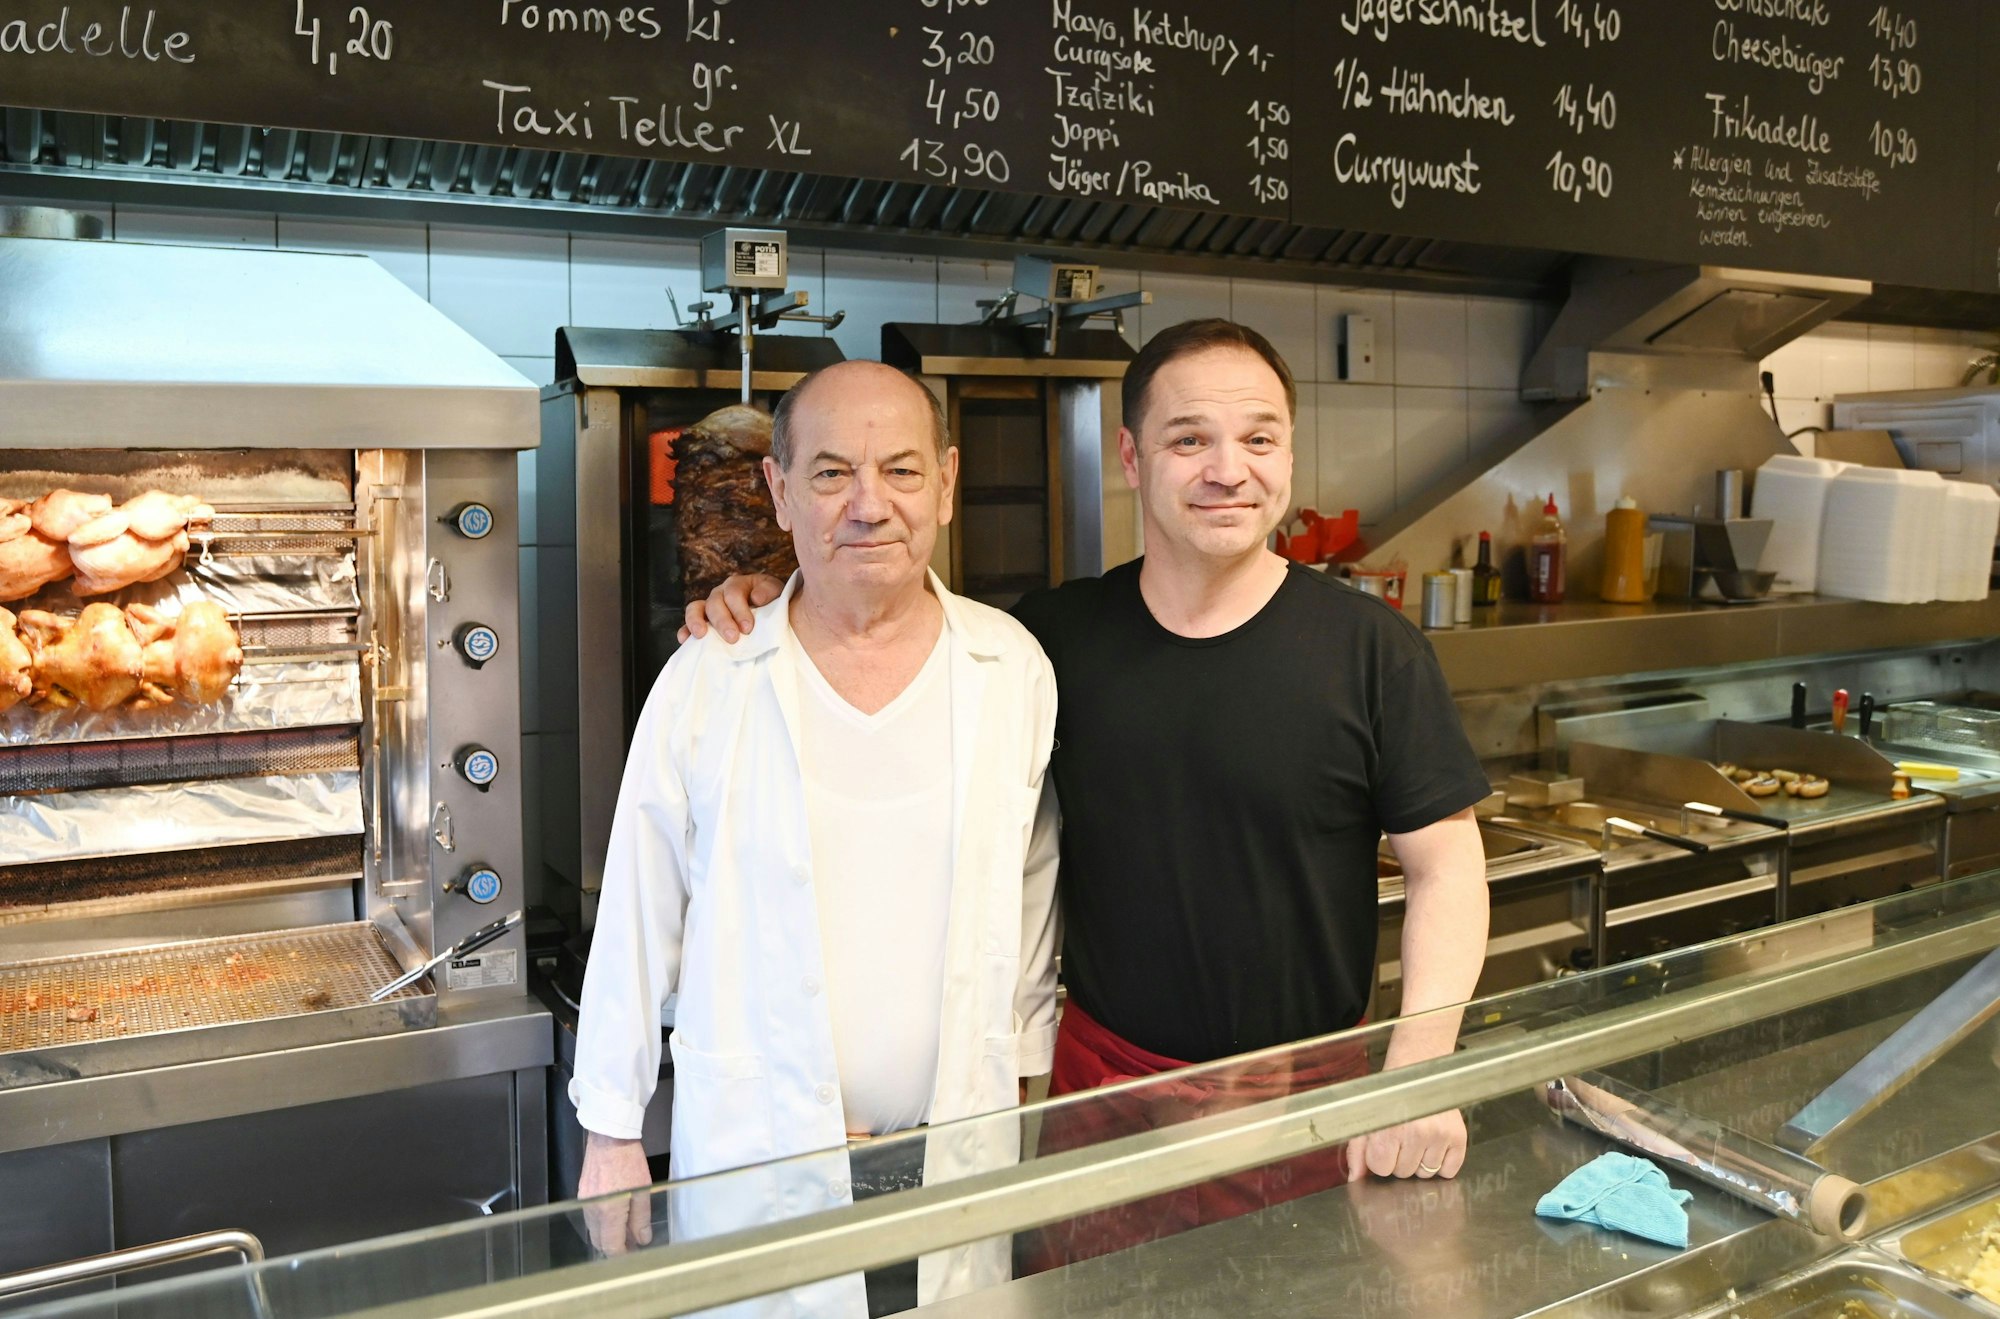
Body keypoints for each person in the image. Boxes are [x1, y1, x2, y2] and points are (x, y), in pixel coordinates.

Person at [685, 321, 1490, 1243]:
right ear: (1132, 457)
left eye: (1258, 438)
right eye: (1190, 439)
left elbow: (1447, 869)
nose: (1228, 469)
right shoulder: (1049, 644)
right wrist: (763, 598)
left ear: (1289, 454)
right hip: (1106, 1099)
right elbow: (894, 749)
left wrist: (1420, 1072)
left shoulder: (1373, 651)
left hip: (1307, 1101)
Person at [572, 360, 1060, 1317]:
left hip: (954, 1154)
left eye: (903, 472)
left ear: (950, 485)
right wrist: (611, 1129)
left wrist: (1031, 1105)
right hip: (763, 1164)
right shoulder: (710, 676)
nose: (869, 505)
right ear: (780, 492)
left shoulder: (1013, 668)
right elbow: (638, 911)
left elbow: (1031, 906)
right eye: (832, 473)